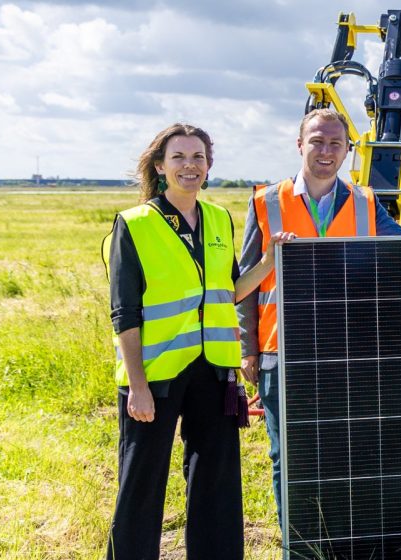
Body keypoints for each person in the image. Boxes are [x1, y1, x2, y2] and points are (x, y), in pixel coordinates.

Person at [236, 108, 401, 537]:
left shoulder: (365, 202)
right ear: (299, 144)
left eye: (335, 144)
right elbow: (246, 283)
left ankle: (346, 537)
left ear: (348, 150)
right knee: (287, 455)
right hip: (281, 351)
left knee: (350, 451)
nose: (326, 151)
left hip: (349, 351)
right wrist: (247, 349)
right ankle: (299, 540)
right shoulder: (265, 202)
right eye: (317, 142)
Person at [104, 123, 288, 559]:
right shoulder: (135, 224)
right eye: (180, 157)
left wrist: (268, 260)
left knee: (217, 482)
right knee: (141, 484)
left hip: (214, 371)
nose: (190, 166)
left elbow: (230, 290)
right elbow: (124, 313)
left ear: (209, 166)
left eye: (198, 158)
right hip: (156, 375)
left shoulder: (220, 218)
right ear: (160, 165)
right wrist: (139, 387)